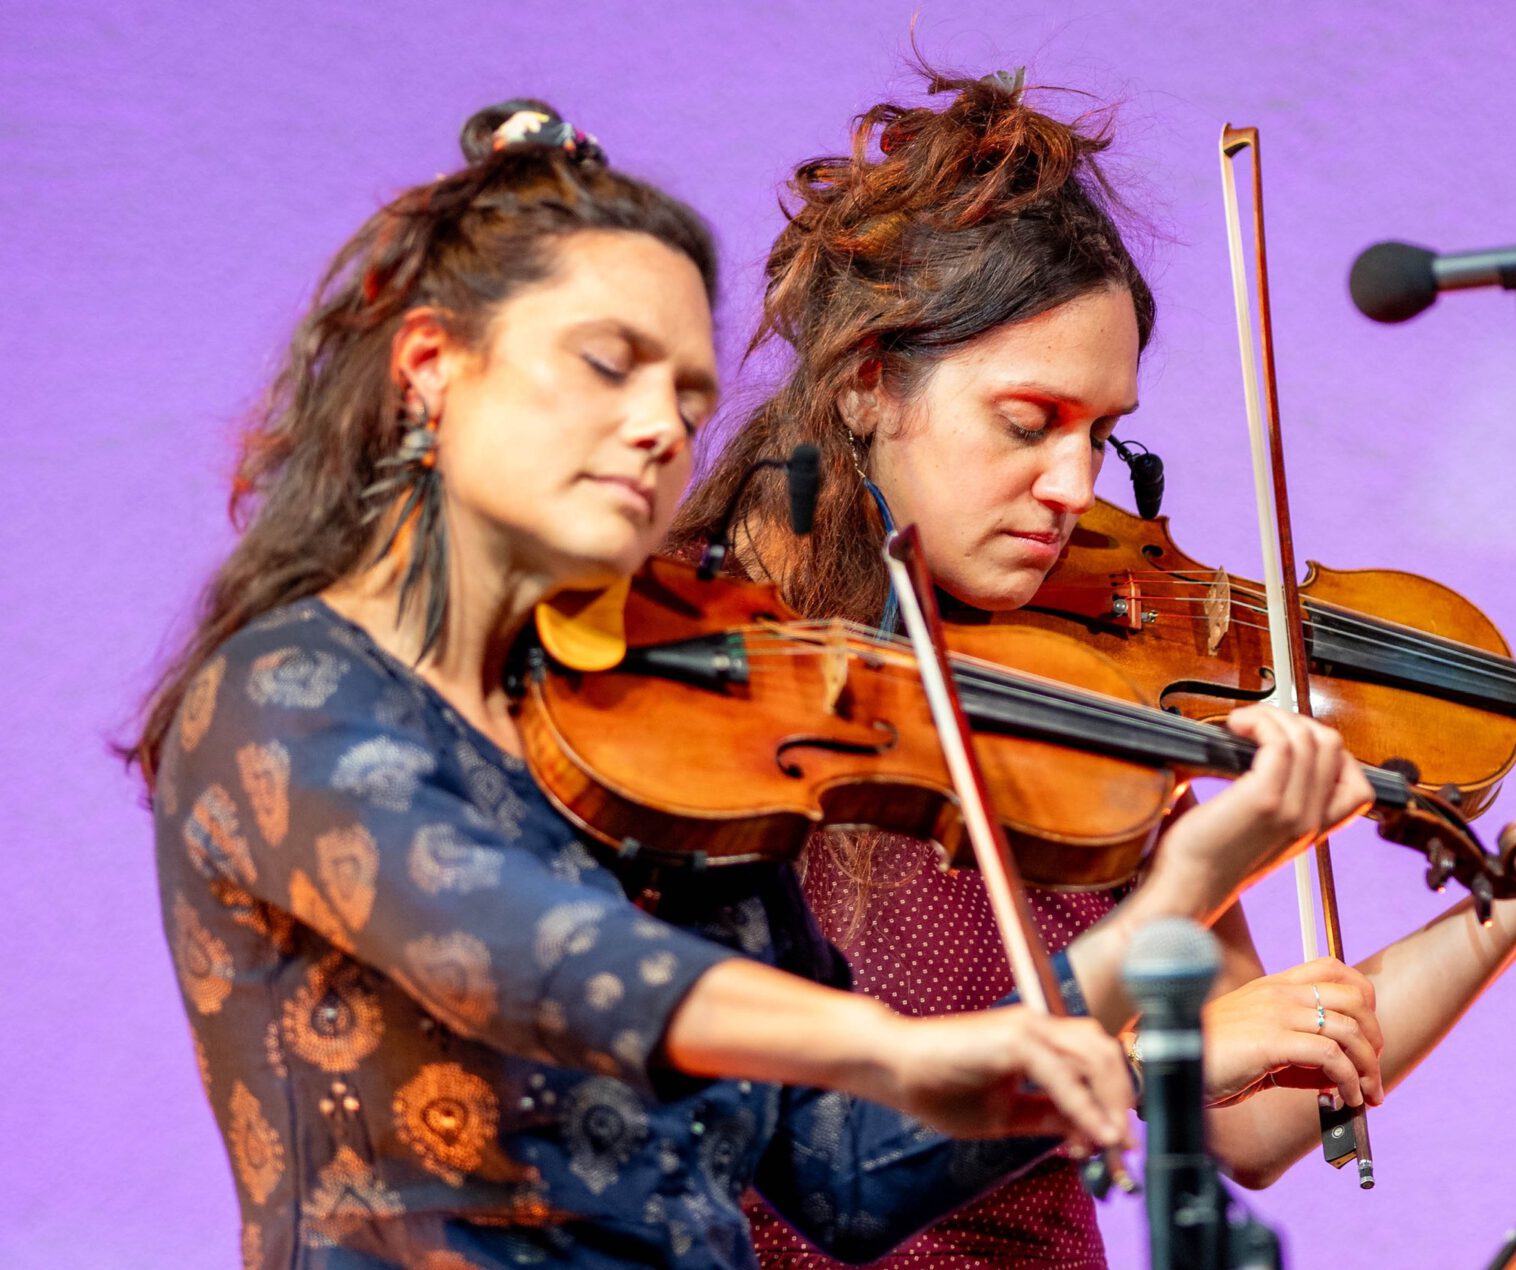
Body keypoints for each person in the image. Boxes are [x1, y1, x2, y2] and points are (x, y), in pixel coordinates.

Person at [130, 98, 1361, 1270]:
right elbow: (549, 959)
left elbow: (852, 1174)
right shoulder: (288, 692)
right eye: (608, 365)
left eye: (688, 393)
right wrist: (888, 1045)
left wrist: (1177, 894)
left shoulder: (678, 733)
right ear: (432, 367)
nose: (661, 426)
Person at [670, 69, 1516, 1268]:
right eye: (1029, 421)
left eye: (1102, 433)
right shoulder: (676, 670)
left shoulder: (1084, 687)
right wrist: (1151, 1053)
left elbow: (1259, 1115)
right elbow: (796, 1144)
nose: (1074, 486)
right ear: (865, 380)